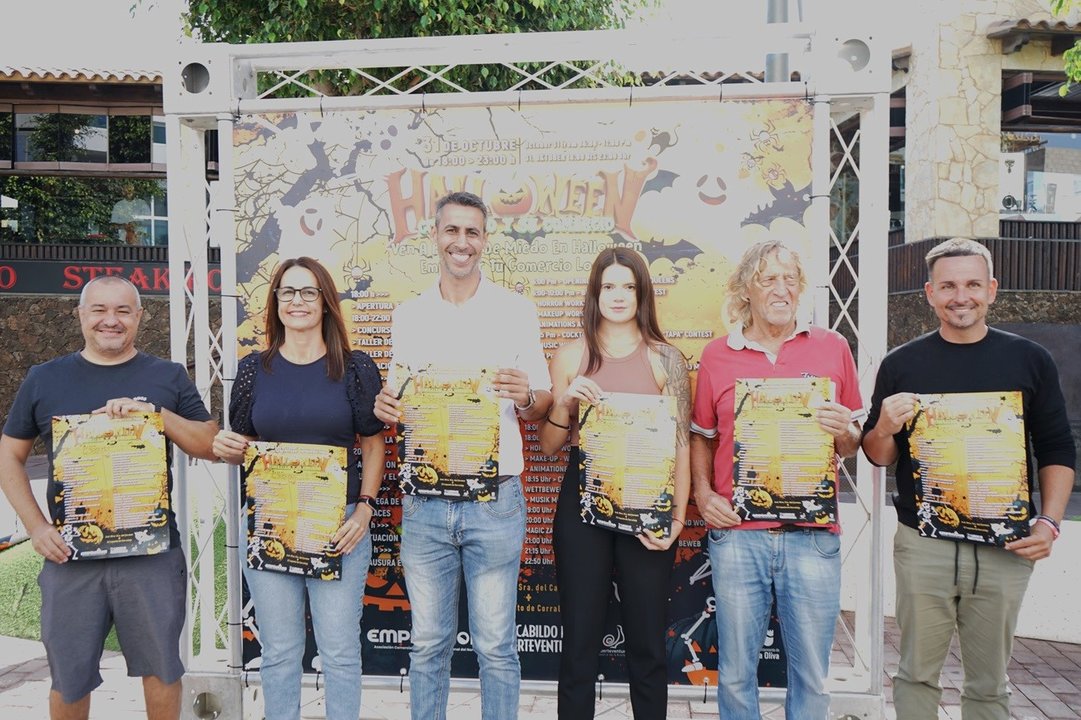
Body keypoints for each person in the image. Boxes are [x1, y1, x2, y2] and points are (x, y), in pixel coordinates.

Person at [861, 237, 1075, 720]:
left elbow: (1058, 447)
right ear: (930, 293)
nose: (962, 296)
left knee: (990, 683)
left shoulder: (1030, 360)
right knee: (916, 673)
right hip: (925, 542)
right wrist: (885, 426)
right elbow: (878, 456)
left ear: (992, 289)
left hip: (1004, 545)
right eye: (949, 286)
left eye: (973, 284)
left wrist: (1051, 522)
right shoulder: (902, 364)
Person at [0, 275, 218, 720]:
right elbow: (9, 454)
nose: (110, 320)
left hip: (152, 553)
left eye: (122, 310)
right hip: (71, 556)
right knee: (70, 673)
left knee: (161, 667)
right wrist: (37, 526)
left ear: (140, 316)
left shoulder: (167, 376)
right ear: (80, 315)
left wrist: (156, 414)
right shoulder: (45, 379)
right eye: (99, 310)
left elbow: (208, 444)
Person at [373, 191, 552, 720]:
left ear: (485, 240)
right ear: (435, 237)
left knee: (496, 646)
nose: (462, 242)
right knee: (428, 644)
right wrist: (388, 405)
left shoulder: (516, 311)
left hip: (494, 500)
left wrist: (525, 395)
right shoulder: (409, 315)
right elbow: (397, 400)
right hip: (427, 501)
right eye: (452, 231)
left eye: (472, 232)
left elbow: (541, 405)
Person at [690, 240, 864, 719]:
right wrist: (703, 494)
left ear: (801, 288)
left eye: (790, 278)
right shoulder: (717, 355)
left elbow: (852, 441)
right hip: (738, 536)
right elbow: (702, 435)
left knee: (811, 671)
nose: (780, 289)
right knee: (737, 670)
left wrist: (843, 429)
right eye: (768, 278)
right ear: (747, 289)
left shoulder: (833, 348)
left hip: (812, 538)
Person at [211, 257, 384, 720]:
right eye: (287, 292)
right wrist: (229, 445)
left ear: (326, 302)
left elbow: (372, 444)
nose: (297, 301)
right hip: (271, 523)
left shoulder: (355, 368)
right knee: (280, 651)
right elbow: (245, 442)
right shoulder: (253, 370)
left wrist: (364, 510)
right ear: (275, 303)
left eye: (308, 292)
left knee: (340, 651)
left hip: (339, 524)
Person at [538, 247, 691, 720]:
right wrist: (564, 403)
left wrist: (678, 519)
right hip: (582, 502)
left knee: (646, 641)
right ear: (595, 292)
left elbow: (682, 444)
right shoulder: (570, 355)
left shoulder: (667, 359)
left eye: (628, 285)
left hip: (649, 503)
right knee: (579, 639)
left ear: (642, 292)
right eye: (609, 286)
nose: (618, 295)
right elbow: (547, 446)